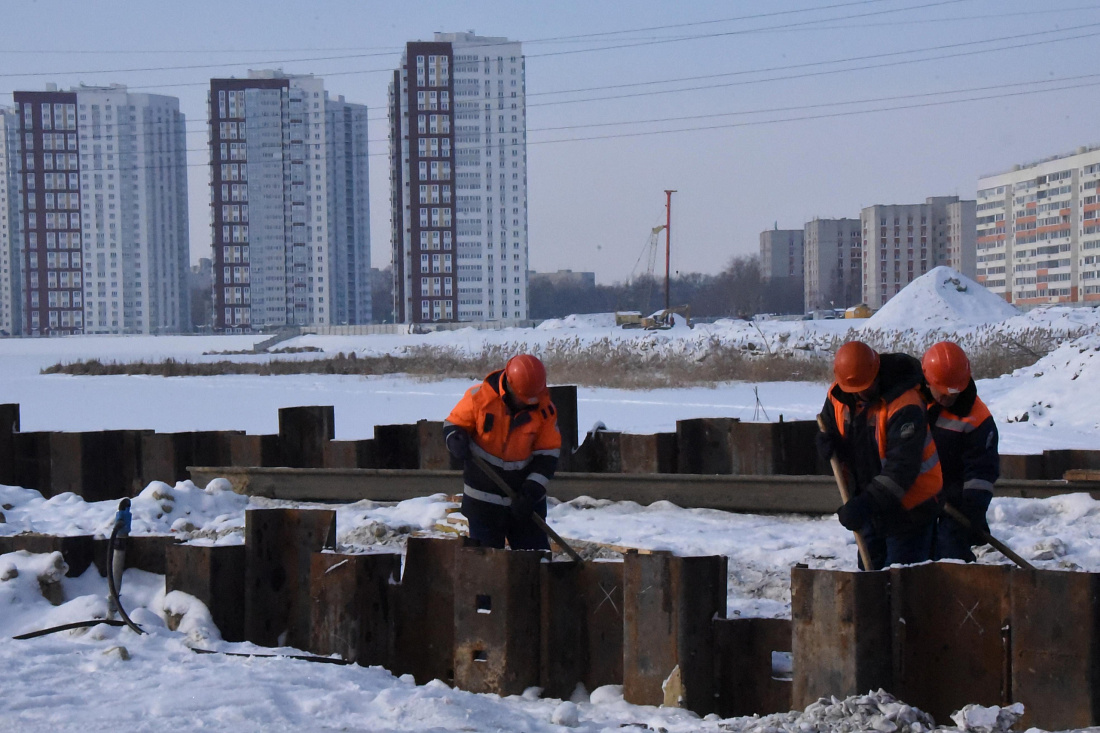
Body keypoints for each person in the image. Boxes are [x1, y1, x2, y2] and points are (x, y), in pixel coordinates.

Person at [817, 341, 943, 570]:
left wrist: (864, 505)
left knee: (903, 586)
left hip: (909, 512)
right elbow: (834, 430)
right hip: (870, 509)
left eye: (866, 387)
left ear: (876, 372)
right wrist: (829, 444)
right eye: (854, 391)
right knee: (870, 587)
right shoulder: (839, 395)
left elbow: (901, 470)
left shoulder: (906, 405)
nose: (861, 394)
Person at [443, 354, 561, 550]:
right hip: (483, 502)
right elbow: (453, 423)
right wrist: (454, 437)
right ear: (509, 383)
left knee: (534, 565)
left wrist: (531, 492)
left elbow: (548, 456)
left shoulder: (545, 410)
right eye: (523, 398)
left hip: (524, 504)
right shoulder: (479, 397)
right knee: (486, 568)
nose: (528, 404)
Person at [921, 341, 999, 563]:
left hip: (956, 504)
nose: (947, 398)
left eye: (952, 393)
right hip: (918, 498)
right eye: (941, 392)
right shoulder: (913, 402)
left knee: (950, 554)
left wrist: (971, 513)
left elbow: (982, 473)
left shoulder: (978, 419)